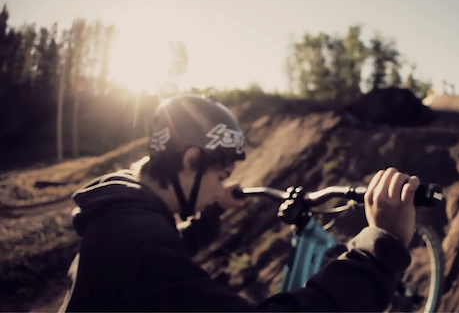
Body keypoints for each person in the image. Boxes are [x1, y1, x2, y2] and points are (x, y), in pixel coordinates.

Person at [59, 94, 421, 311]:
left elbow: (168, 254)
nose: (221, 187)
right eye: (220, 176)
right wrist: (377, 252)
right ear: (190, 160)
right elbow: (157, 261)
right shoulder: (142, 246)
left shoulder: (124, 219)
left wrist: (214, 210)